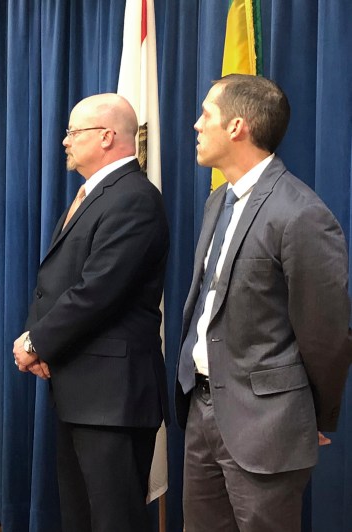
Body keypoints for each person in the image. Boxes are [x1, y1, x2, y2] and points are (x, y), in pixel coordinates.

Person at [175, 74, 352, 531]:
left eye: (206, 115)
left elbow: (327, 333)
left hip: (267, 425)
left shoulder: (301, 213)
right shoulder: (217, 201)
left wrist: (310, 414)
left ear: (237, 127)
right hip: (201, 409)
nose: (196, 125)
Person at [13, 93, 169, 532]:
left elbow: (98, 291)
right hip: (81, 390)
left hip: (113, 399)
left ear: (106, 136)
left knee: (113, 521)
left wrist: (35, 341)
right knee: (80, 519)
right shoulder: (94, 194)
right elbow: (57, 282)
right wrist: (42, 342)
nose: (64, 141)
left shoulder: (134, 198)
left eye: (73, 132)